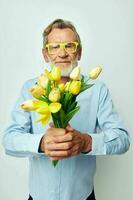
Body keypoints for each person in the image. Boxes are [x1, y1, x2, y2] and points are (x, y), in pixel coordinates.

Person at [2, 19, 130, 200]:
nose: (62, 53)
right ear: (45, 54)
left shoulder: (97, 89)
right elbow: (9, 139)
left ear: (79, 52)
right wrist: (41, 143)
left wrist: (87, 142)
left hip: (83, 196)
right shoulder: (31, 88)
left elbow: (123, 139)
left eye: (69, 46)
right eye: (54, 47)